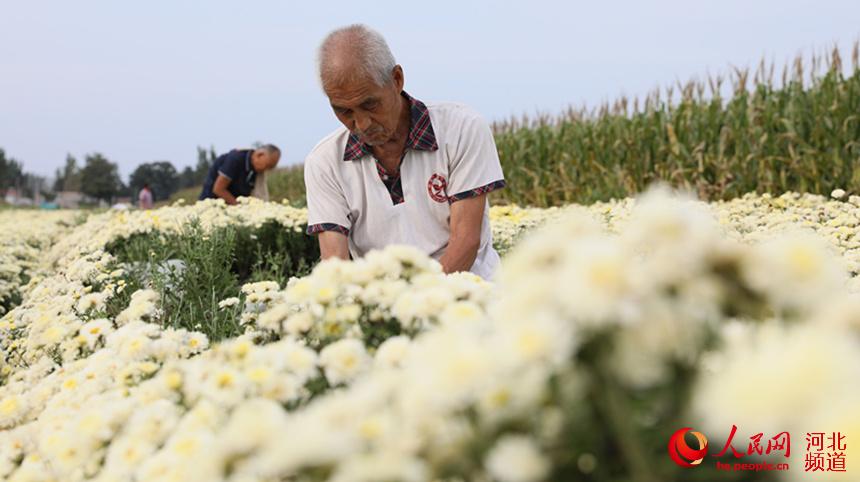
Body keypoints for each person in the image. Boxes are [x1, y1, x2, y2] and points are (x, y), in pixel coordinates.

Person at [304, 25, 506, 280]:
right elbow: (335, 264)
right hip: (387, 306)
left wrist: (415, 308)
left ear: (397, 79)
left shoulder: (460, 129)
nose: (362, 123)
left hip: (468, 293)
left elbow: (465, 242)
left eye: (370, 104)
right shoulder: (325, 162)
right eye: (345, 111)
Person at [199, 144, 280, 204]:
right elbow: (218, 189)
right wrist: (239, 207)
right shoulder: (235, 159)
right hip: (211, 205)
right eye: (267, 166)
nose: (266, 170)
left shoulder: (255, 169)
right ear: (259, 155)